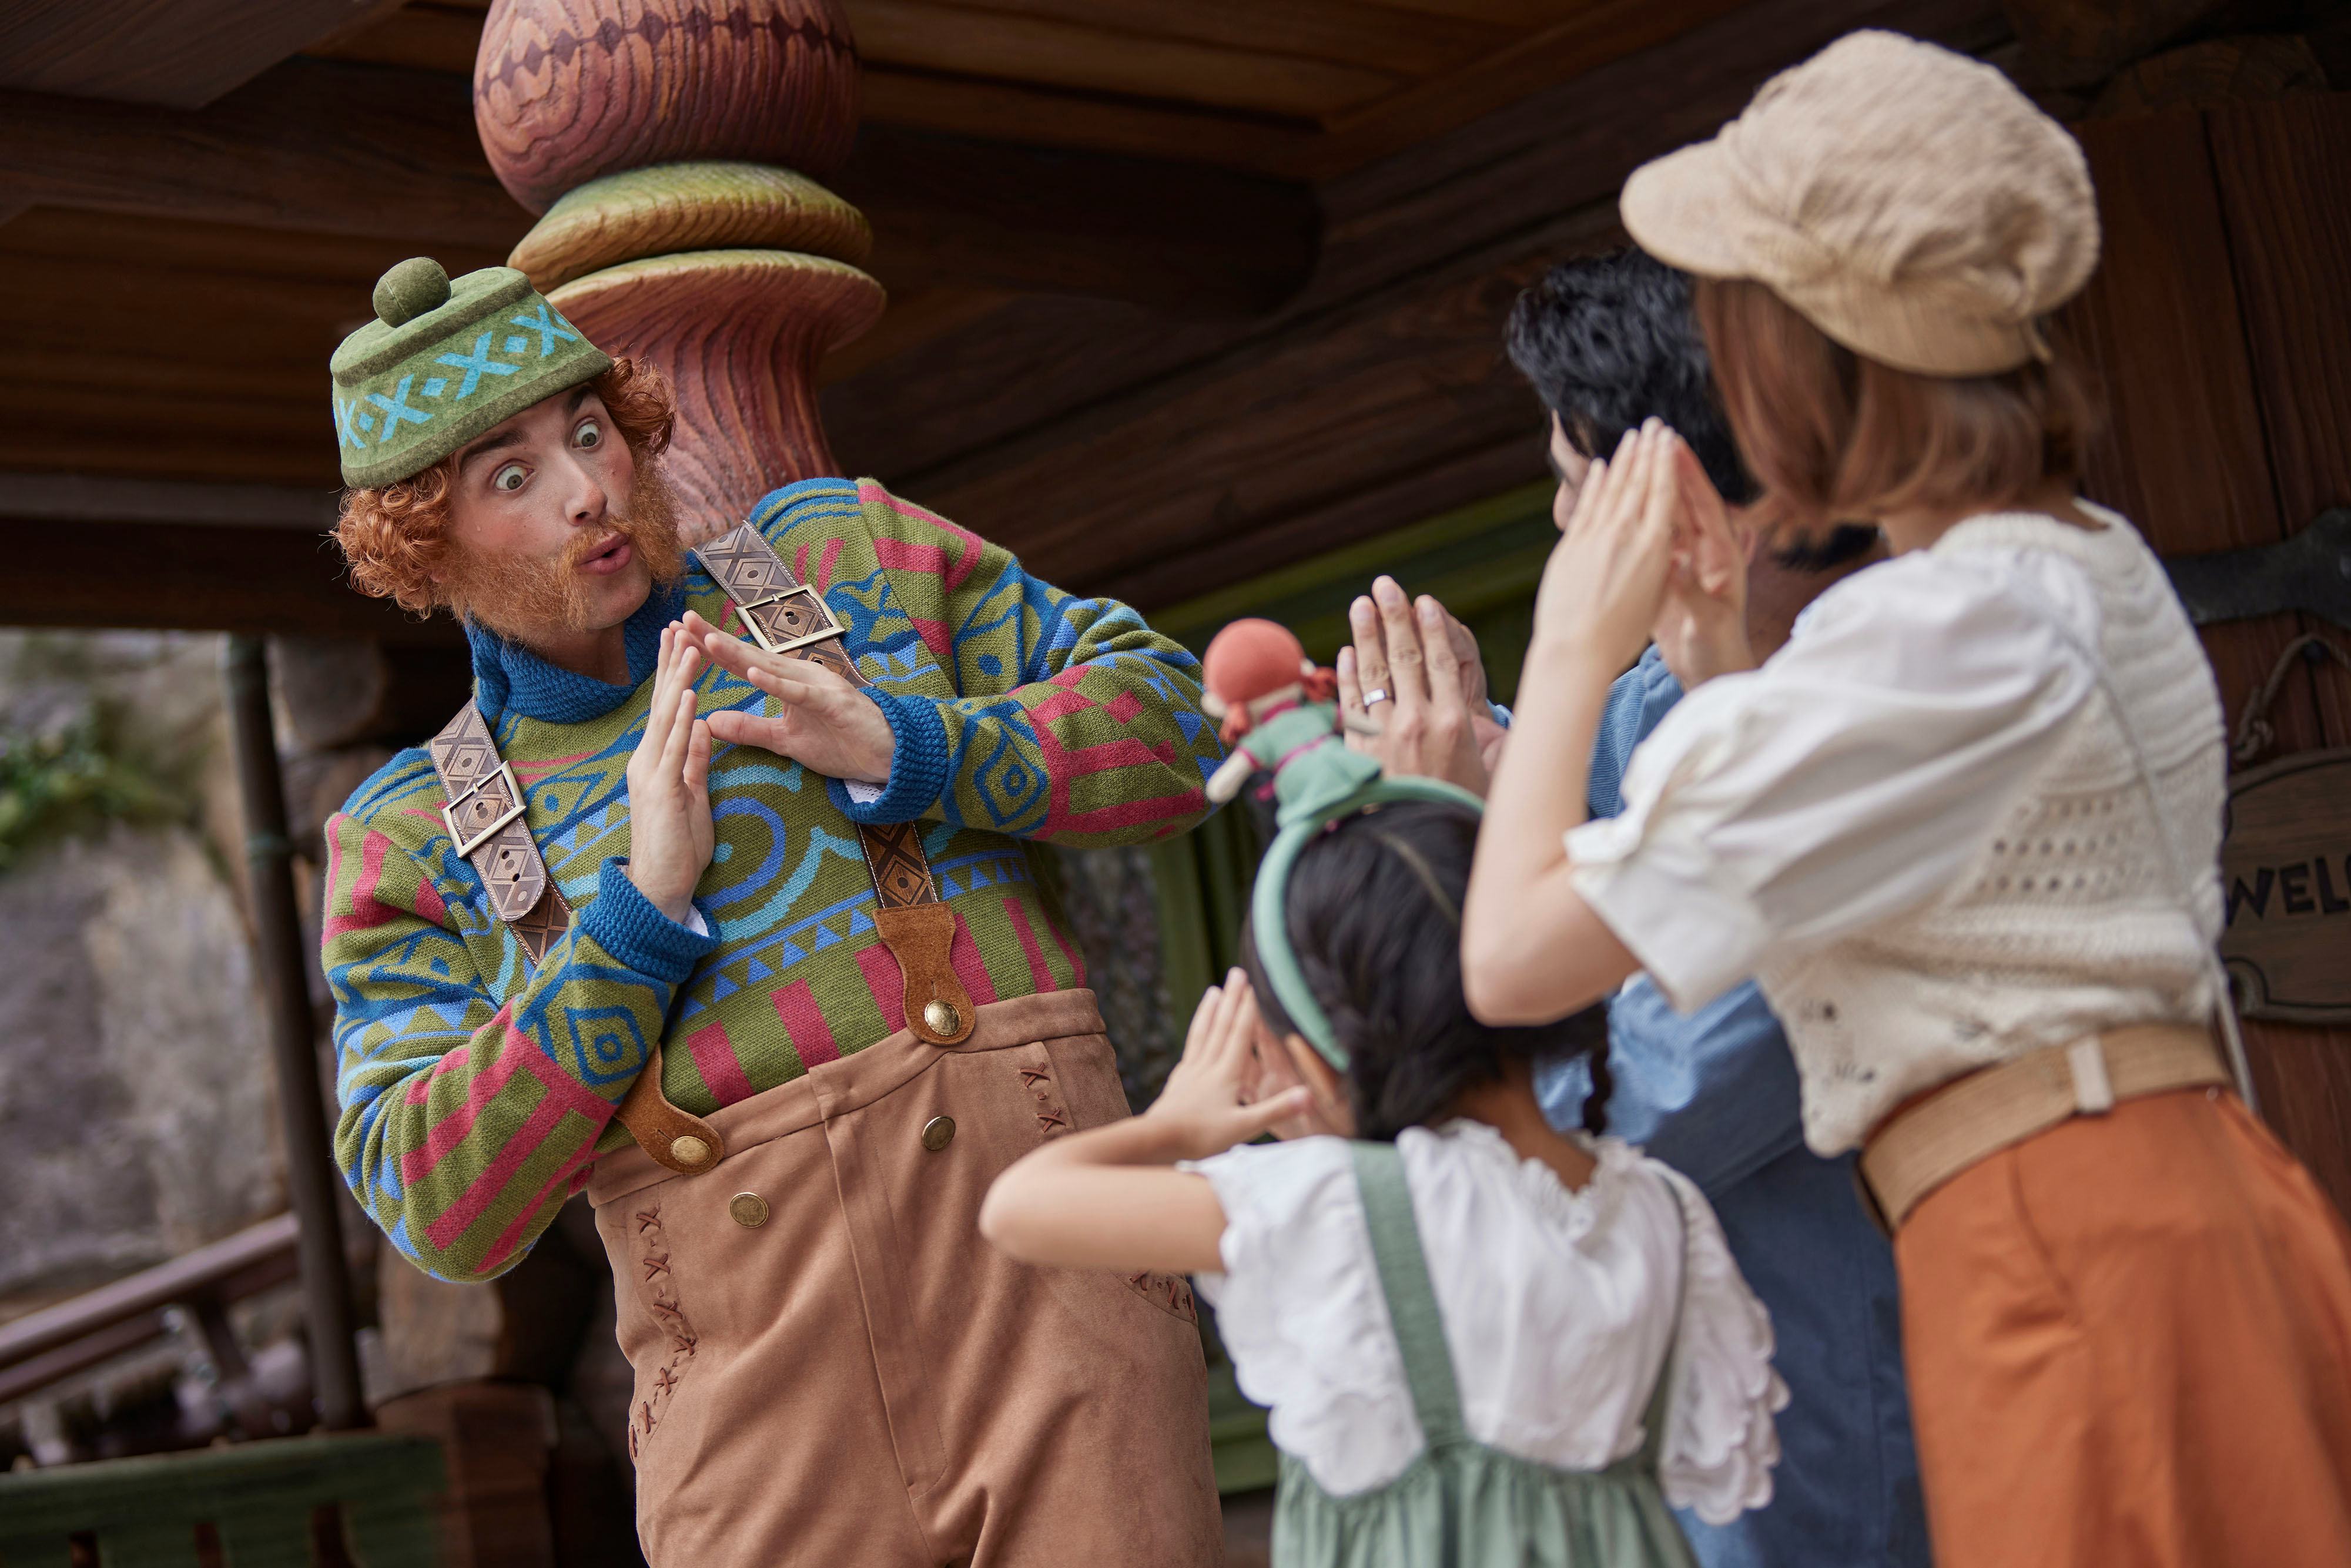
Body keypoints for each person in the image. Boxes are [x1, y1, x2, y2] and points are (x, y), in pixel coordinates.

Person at [1459, 31, 2351, 1568]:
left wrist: (1566, 644)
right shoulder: (2051, 575)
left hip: (2064, 1225)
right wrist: (1710, 645)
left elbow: (1513, 960)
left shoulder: (1941, 629)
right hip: (2111, 1203)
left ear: (1811, 360)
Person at [320, 257, 1227, 1565]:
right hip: (754, 1440)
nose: (588, 490)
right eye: (510, 477)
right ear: (427, 545)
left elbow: (1182, 728)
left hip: (1059, 1328)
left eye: (588, 433)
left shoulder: (849, 556)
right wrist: (635, 918)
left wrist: (911, 746)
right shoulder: (407, 838)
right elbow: (436, 1199)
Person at [979, 736, 1786, 1567]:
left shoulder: (1335, 1206)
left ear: (1327, 1053)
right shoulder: (1661, 1211)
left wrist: (1181, 1122)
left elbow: (1019, 1209)